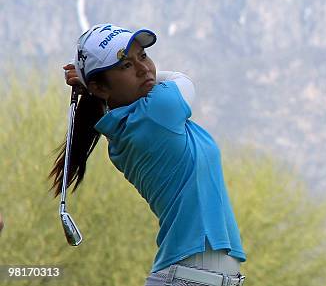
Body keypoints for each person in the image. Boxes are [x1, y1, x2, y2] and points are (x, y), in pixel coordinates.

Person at [49, 23, 247, 286]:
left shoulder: (123, 124)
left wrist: (89, 83)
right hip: (192, 278)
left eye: (143, 56)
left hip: (192, 276)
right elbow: (183, 80)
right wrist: (87, 83)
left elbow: (133, 92)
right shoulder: (158, 111)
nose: (144, 68)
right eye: (125, 65)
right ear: (100, 88)